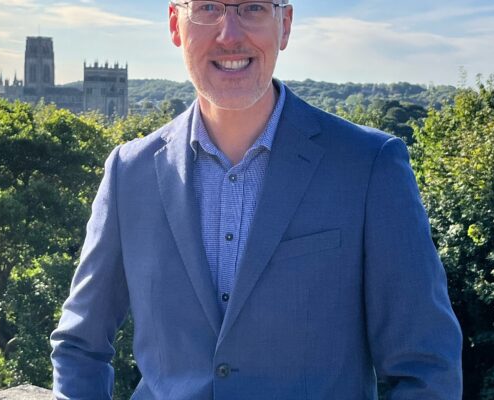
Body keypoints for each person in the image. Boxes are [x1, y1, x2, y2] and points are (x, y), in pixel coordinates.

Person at [50, 1, 463, 398]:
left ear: (284, 25)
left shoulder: (368, 165)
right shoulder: (130, 172)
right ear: (176, 25)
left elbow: (426, 366)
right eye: (209, 7)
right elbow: (80, 345)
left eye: (252, 7)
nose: (230, 35)